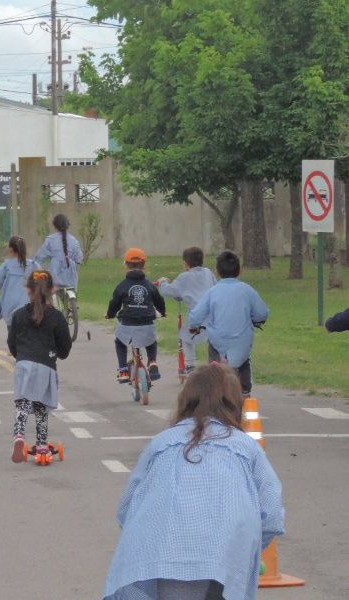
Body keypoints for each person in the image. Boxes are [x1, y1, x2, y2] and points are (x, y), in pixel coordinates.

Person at [103, 364, 284, 600]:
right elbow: (271, 515)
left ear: (185, 401)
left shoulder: (161, 443)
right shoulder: (245, 447)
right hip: (222, 558)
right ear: (235, 404)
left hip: (158, 559)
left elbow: (126, 509)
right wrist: (246, 549)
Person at [8, 270, 72, 463]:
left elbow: (12, 343)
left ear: (27, 289)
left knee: (23, 403)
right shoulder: (57, 317)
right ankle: (42, 445)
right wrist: (58, 353)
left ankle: (19, 436)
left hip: (24, 364)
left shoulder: (18, 315)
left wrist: (20, 356)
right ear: (52, 290)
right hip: (46, 364)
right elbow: (65, 348)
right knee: (41, 407)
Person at [189, 251, 269, 395]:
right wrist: (257, 320)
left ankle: (214, 389)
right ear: (240, 270)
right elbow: (262, 313)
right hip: (241, 341)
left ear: (217, 271)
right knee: (243, 361)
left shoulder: (212, 292)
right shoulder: (247, 290)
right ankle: (244, 391)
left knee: (214, 363)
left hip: (217, 341)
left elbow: (195, 316)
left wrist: (194, 327)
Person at [106, 248, 166, 383]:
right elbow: (159, 301)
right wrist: (162, 312)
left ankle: (123, 370)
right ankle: (152, 362)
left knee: (120, 342)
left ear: (126, 265)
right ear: (144, 265)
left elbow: (114, 302)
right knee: (151, 341)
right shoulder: (150, 285)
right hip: (147, 324)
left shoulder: (122, 286)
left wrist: (110, 314)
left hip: (127, 326)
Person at [156, 246, 217, 375]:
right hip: (213, 314)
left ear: (186, 263)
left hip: (196, 315)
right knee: (213, 340)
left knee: (186, 337)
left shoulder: (185, 276)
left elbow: (169, 291)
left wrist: (162, 282)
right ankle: (216, 363)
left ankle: (190, 365)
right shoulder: (208, 273)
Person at [0, 236, 40, 329]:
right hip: (30, 307)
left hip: (11, 309)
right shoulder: (34, 265)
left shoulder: (6, 266)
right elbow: (43, 281)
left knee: (13, 338)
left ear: (10, 249)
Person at [34, 214, 84, 291]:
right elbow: (79, 259)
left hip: (54, 279)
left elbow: (38, 258)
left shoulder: (50, 240)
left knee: (50, 300)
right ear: (68, 225)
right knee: (70, 301)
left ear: (54, 226)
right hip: (71, 280)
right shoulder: (74, 241)